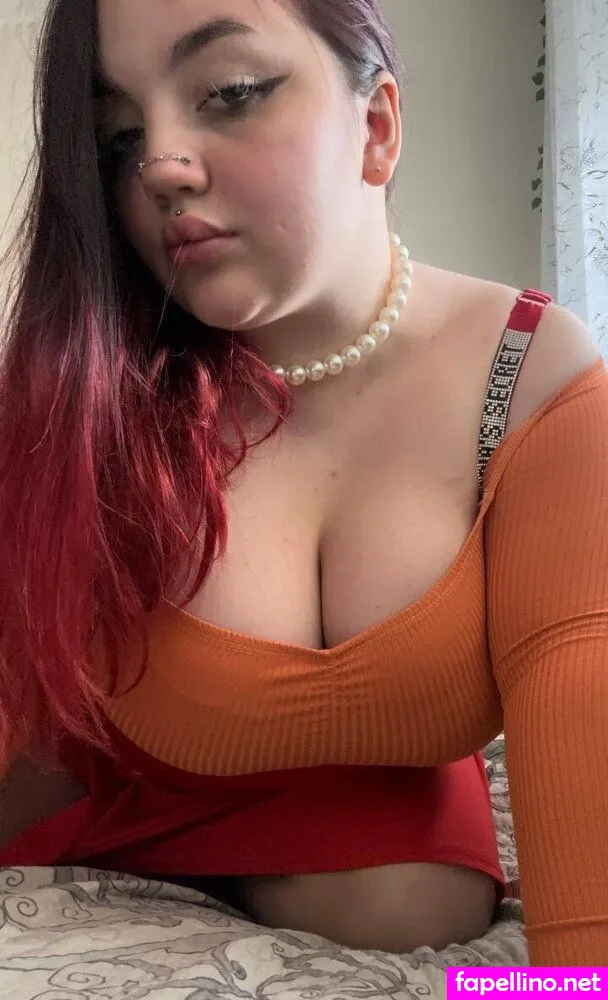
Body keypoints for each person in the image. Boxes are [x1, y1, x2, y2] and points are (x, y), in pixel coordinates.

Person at [0, 0, 606, 967]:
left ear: (377, 126)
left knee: (411, 907)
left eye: (231, 92)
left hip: (385, 829)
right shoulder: (82, 392)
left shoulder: (530, 384)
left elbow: (586, 961)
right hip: (88, 787)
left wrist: (497, 996)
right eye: (118, 138)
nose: (160, 166)